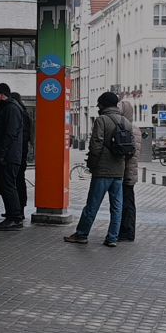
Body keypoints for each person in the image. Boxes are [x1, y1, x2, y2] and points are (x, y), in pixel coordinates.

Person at [64, 92, 134, 247]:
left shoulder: (101, 120)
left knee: (92, 205)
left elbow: (96, 145)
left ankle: (81, 234)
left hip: (102, 171)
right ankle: (112, 238)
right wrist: (122, 162)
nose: (97, 106)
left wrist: (92, 164)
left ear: (103, 104)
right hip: (119, 171)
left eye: (99, 103)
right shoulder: (126, 122)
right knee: (116, 207)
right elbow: (132, 149)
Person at [0, 83, 24, 231]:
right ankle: (11, 216)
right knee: (4, 186)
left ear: (2, 95)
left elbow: (10, 133)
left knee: (8, 186)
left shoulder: (11, 108)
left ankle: (15, 218)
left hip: (9, 156)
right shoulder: (6, 108)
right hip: (6, 155)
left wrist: (2, 153)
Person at [118, 101, 141, 242]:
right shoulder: (135, 128)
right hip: (130, 172)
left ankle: (127, 231)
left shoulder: (128, 129)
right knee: (128, 202)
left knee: (126, 203)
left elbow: (128, 153)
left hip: (126, 172)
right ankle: (126, 230)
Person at [10, 92, 32, 218]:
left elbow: (24, 136)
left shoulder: (20, 114)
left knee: (18, 181)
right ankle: (17, 209)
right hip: (20, 152)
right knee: (18, 181)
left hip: (18, 153)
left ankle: (19, 210)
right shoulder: (23, 112)